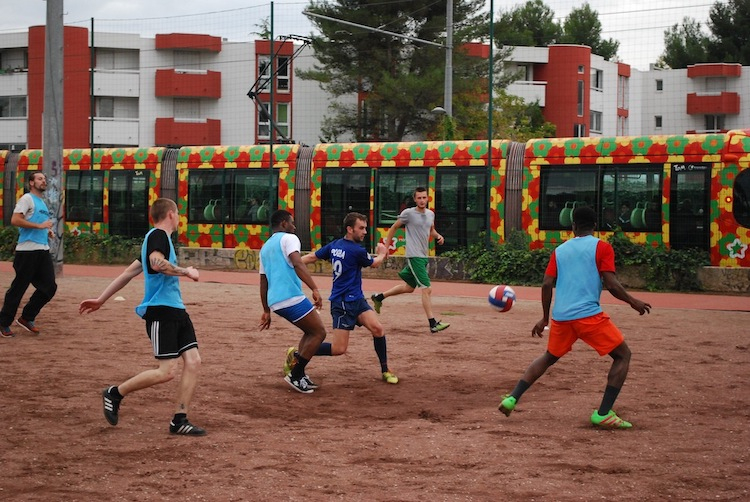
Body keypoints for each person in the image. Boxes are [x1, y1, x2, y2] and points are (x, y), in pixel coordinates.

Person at [498, 206, 651, 429]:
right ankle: (603, 413)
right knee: (623, 355)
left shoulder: (559, 251)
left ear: (573, 227)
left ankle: (512, 398)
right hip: (588, 315)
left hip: (562, 317)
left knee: (549, 357)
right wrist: (632, 301)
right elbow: (611, 283)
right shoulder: (602, 247)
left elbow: (546, 283)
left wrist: (544, 319)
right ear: (595, 226)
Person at [79, 198, 206, 436]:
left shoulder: (158, 240)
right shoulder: (158, 235)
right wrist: (186, 272)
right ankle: (115, 392)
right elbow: (156, 264)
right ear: (170, 214)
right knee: (166, 372)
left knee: (194, 361)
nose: (179, 219)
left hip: (176, 310)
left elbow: (128, 273)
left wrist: (100, 299)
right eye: (178, 214)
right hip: (161, 311)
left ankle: (179, 420)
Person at [300, 212, 398, 384]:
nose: (365, 232)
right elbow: (375, 264)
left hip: (357, 300)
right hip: (342, 303)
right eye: (361, 228)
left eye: (365, 228)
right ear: (349, 229)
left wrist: (292, 263)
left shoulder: (335, 245)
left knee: (377, 329)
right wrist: (382, 253)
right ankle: (298, 353)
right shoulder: (356, 250)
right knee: (339, 349)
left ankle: (385, 370)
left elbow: (312, 257)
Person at [258, 209, 327, 394]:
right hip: (290, 298)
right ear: (283, 224)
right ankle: (295, 375)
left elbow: (263, 281)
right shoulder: (289, 239)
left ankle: (300, 372)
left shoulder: (265, 248)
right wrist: (314, 288)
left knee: (310, 331)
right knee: (319, 332)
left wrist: (266, 309)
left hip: (276, 301)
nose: (294, 226)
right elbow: (298, 263)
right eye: (292, 222)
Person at [371, 187, 449, 333]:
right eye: (419, 198)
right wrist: (386, 248)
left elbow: (431, 230)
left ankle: (379, 297)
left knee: (409, 287)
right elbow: (393, 228)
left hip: (423, 256)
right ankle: (432, 323)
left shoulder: (430, 214)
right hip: (414, 257)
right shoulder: (408, 214)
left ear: (427, 198)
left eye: (424, 197)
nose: (422, 200)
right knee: (427, 289)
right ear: (414, 199)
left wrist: (438, 236)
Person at [0, 171, 57, 337]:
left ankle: (26, 317)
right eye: (40, 179)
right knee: (18, 288)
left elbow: (37, 223)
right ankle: (3, 323)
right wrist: (39, 227)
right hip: (27, 252)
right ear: (31, 183)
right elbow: (15, 220)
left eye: (44, 179)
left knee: (49, 287)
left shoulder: (42, 203)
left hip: (42, 250)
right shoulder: (27, 199)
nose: (43, 181)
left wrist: (47, 232)